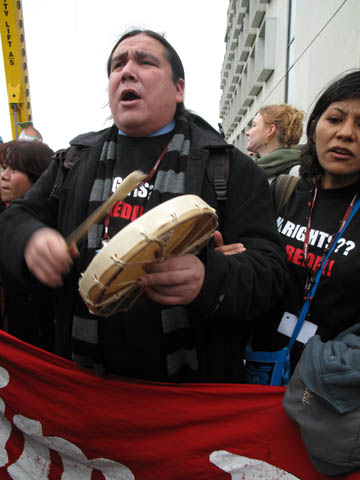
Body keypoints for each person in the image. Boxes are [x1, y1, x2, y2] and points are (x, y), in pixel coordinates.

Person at [0, 29, 287, 383]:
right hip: (83, 384)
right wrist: (31, 241)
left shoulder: (227, 167)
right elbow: (16, 218)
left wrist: (208, 278)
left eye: (145, 61)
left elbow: (270, 271)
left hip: (189, 395)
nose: (127, 71)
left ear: (179, 88)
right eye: (118, 64)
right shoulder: (73, 161)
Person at [246, 70, 360, 374]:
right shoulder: (283, 191)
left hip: (327, 392)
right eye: (335, 119)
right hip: (257, 368)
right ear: (314, 128)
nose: (346, 133)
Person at [0, 139, 55, 351]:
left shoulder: (55, 224)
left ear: (37, 177)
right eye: (4, 168)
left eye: (14, 170)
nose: (4, 176)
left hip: (43, 343)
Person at [246, 104, 304, 183]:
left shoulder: (297, 175)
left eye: (254, 125)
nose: (247, 132)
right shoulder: (252, 168)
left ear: (270, 130)